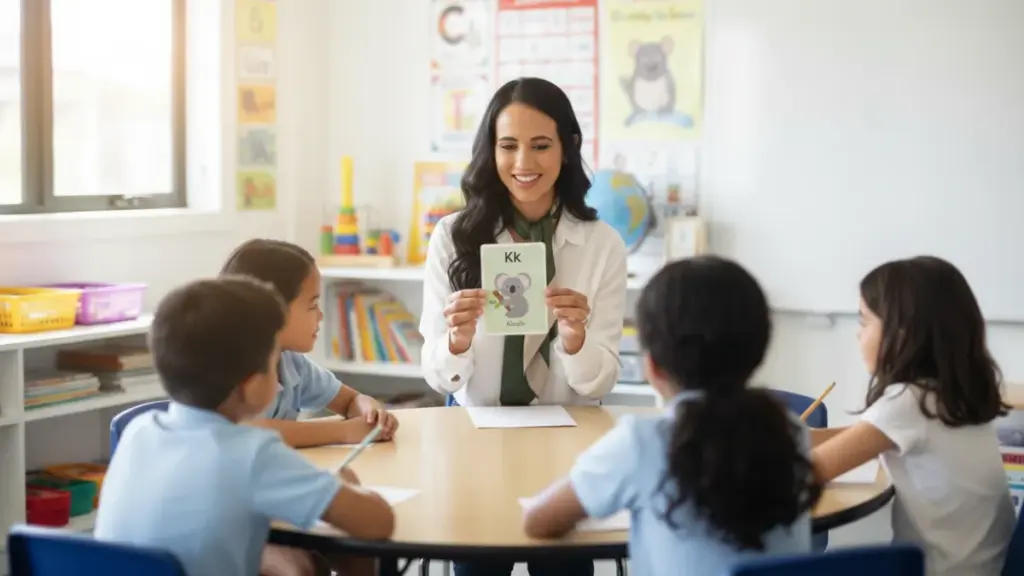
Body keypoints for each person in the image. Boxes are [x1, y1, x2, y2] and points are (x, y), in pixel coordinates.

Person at [419, 77, 627, 576]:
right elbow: (437, 375)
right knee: (477, 566)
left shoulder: (602, 245)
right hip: (478, 438)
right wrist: (456, 340)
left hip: (567, 439)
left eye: (541, 146)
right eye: (508, 146)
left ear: (567, 148)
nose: (523, 164)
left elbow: (600, 382)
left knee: (562, 569)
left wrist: (577, 341)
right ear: (489, 150)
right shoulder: (452, 236)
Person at [522, 256, 821, 576]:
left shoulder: (643, 441)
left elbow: (538, 521)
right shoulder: (791, 431)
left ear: (652, 366)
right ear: (759, 350)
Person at [94, 277, 394, 576]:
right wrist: (343, 482)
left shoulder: (139, 432)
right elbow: (378, 522)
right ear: (250, 387)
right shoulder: (254, 453)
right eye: (274, 361)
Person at [811, 256, 1015, 576]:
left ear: (901, 334)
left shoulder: (906, 403)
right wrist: (788, 433)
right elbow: (858, 437)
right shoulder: (948, 395)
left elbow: (809, 471)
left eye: (864, 322)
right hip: (983, 566)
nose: (856, 334)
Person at [221, 239, 399, 447]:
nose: (321, 316)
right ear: (272, 311)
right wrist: (342, 432)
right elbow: (247, 431)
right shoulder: (226, 368)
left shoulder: (292, 363)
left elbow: (349, 400)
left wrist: (372, 415)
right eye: (313, 305)